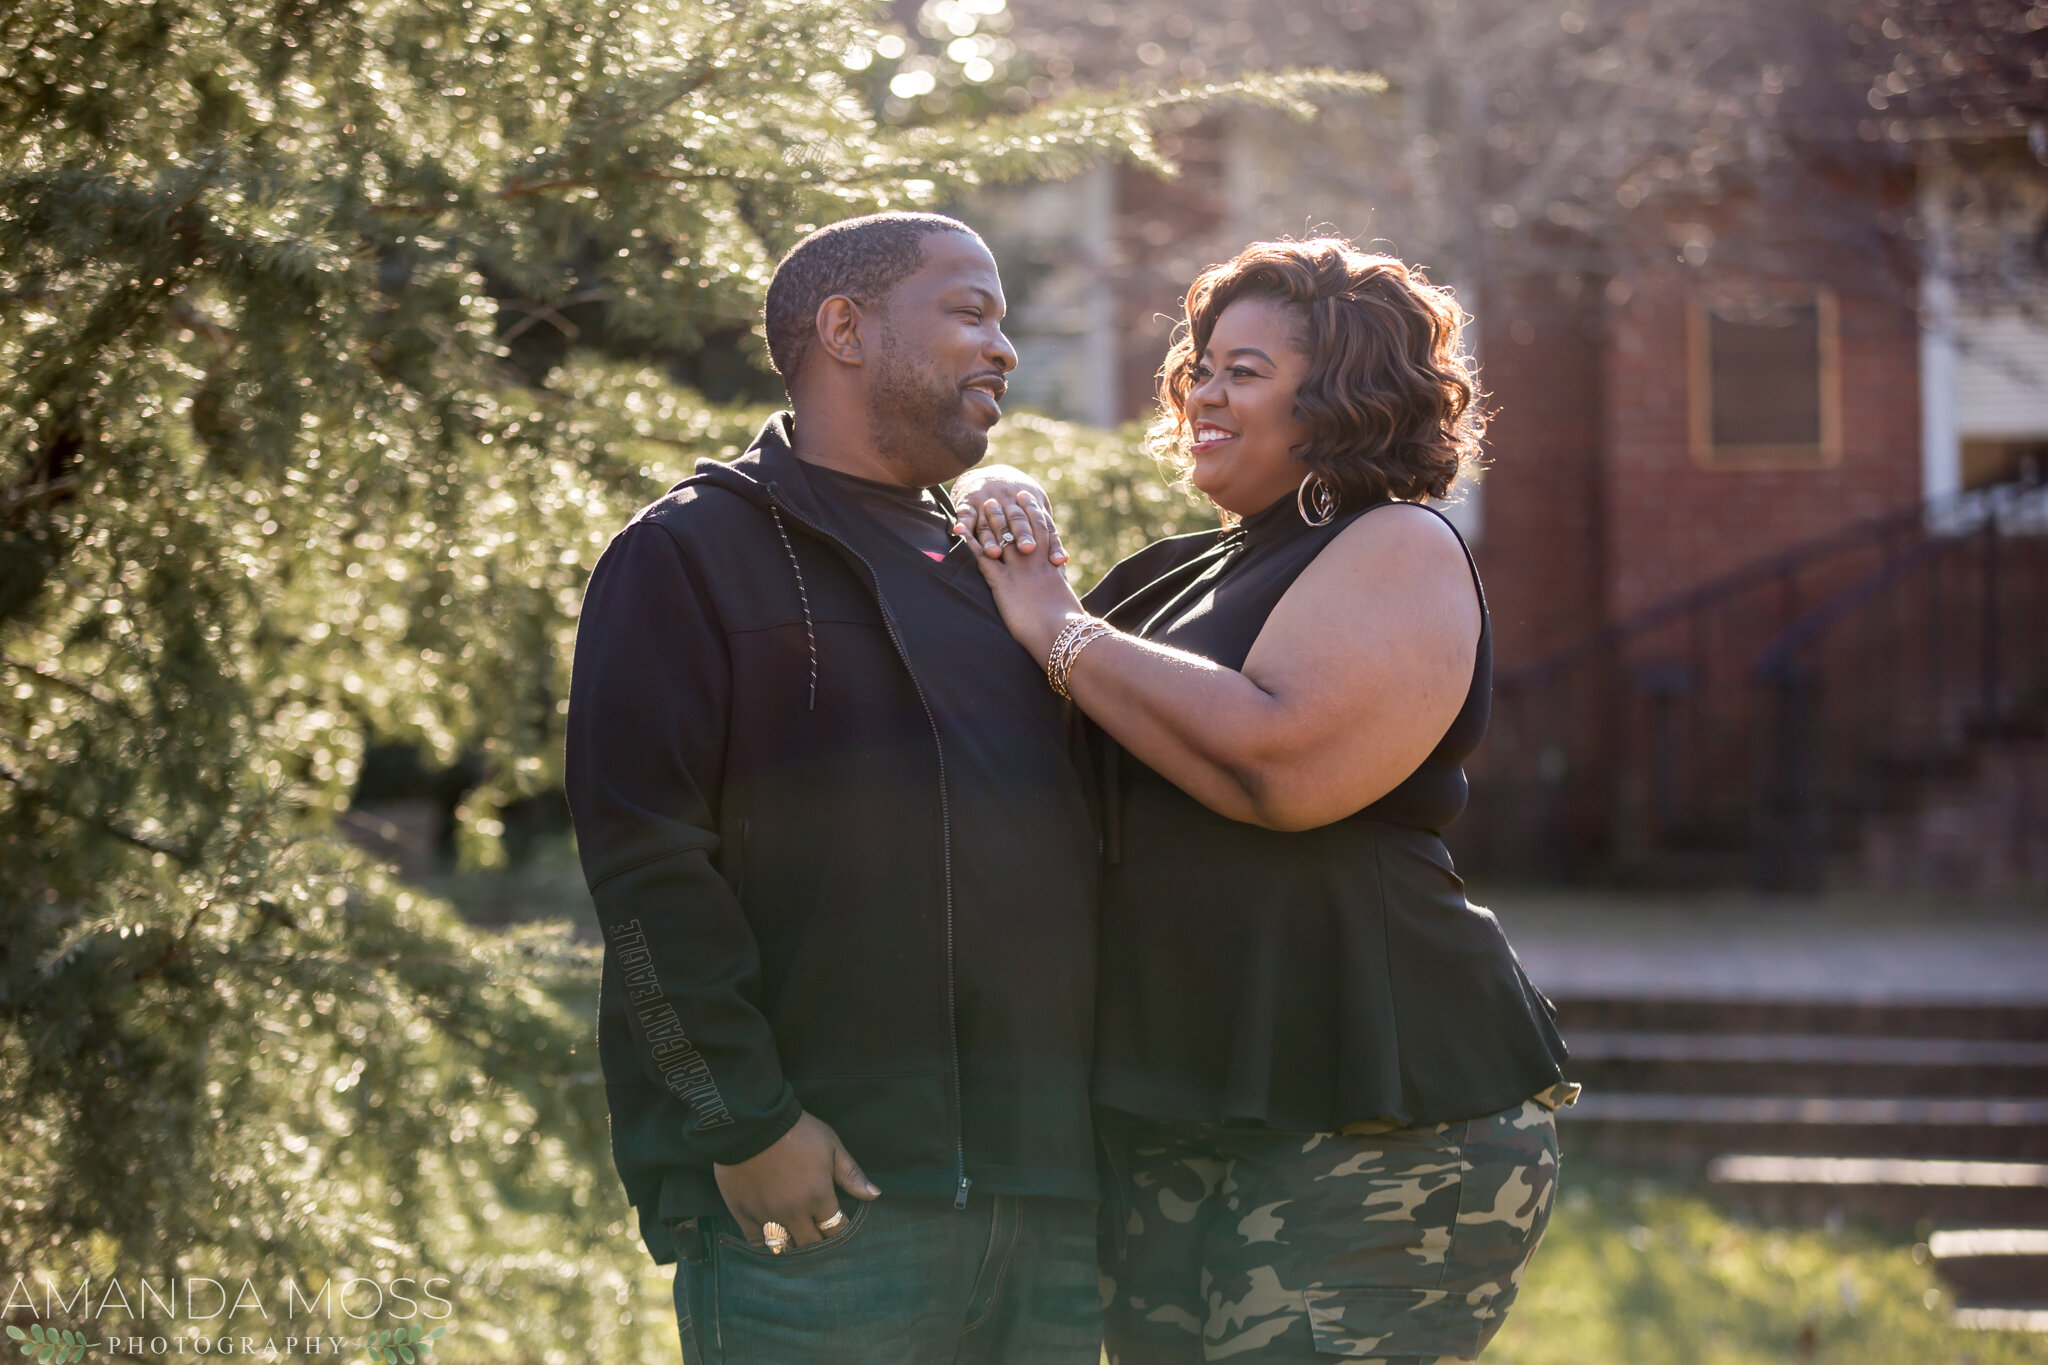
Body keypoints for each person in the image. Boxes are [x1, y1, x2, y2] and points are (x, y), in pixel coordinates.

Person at [957, 238, 1576, 1363]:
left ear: (1343, 396)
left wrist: (1053, 620)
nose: (1201, 389)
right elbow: (1018, 717)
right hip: (1172, 1112)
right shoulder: (1175, 572)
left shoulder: (1395, 545)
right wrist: (994, 491)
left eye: (1243, 369)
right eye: (1198, 365)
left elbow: (1277, 767)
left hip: (1372, 1118)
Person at [565, 211, 1103, 1365]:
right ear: (844, 329)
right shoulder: (688, 554)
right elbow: (643, 865)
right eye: (969, 312)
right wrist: (740, 1119)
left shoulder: (1001, 580)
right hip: (829, 1208)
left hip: (1048, 1205)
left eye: (1004, 320)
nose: (1003, 348)